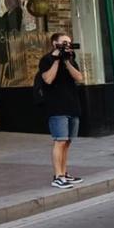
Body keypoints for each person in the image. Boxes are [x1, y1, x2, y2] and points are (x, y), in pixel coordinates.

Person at [39, 32, 85, 189]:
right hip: (56, 106)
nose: (68, 45)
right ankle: (57, 176)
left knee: (67, 141)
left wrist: (67, 62)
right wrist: (57, 60)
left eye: (69, 43)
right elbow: (48, 79)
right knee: (60, 140)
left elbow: (79, 78)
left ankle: (64, 173)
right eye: (64, 43)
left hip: (72, 105)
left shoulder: (71, 59)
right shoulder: (46, 60)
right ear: (55, 44)